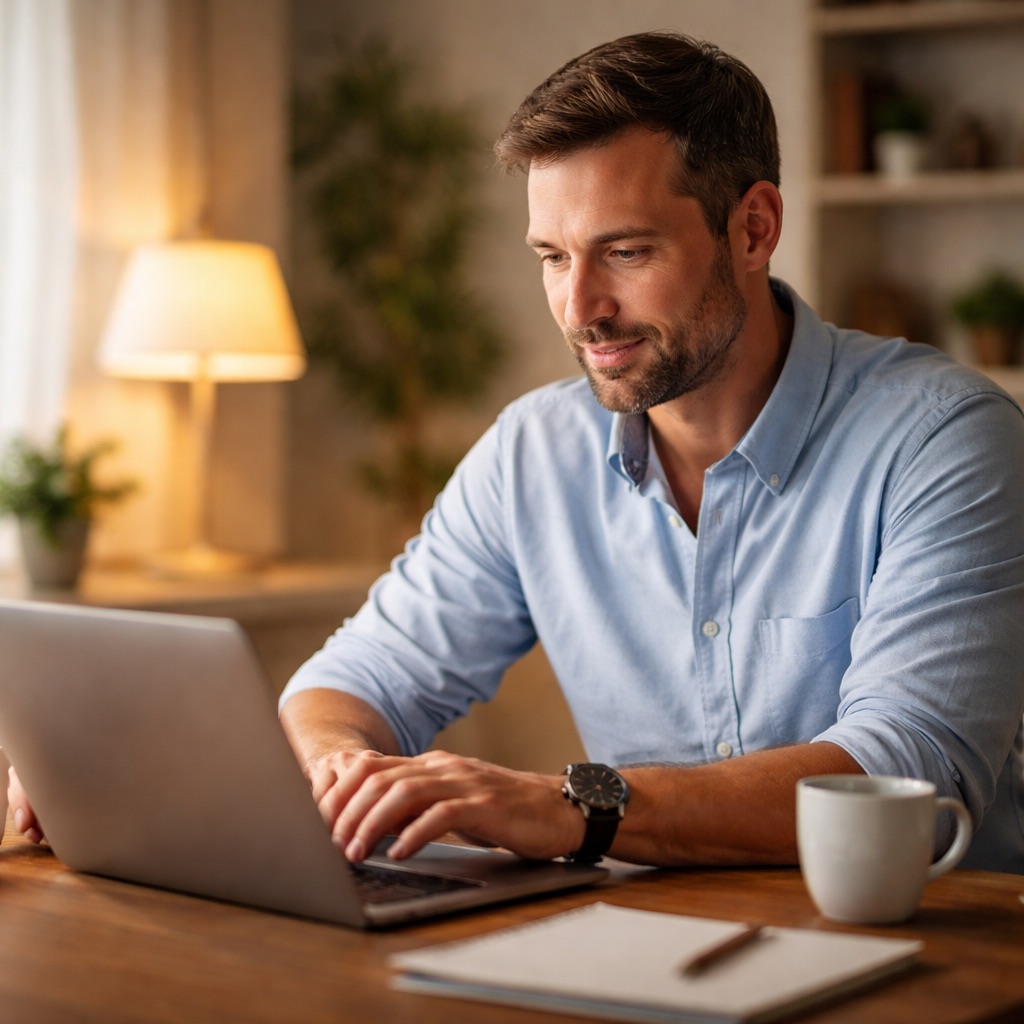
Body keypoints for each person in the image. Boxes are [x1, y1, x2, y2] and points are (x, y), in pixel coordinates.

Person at [11, 32, 1024, 872]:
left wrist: (574, 807)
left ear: (752, 229)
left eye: (625, 251)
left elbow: (907, 772)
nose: (580, 308)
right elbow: (352, 681)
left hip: (930, 964)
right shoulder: (533, 452)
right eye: (552, 257)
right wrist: (339, 773)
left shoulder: (943, 440)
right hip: (652, 951)